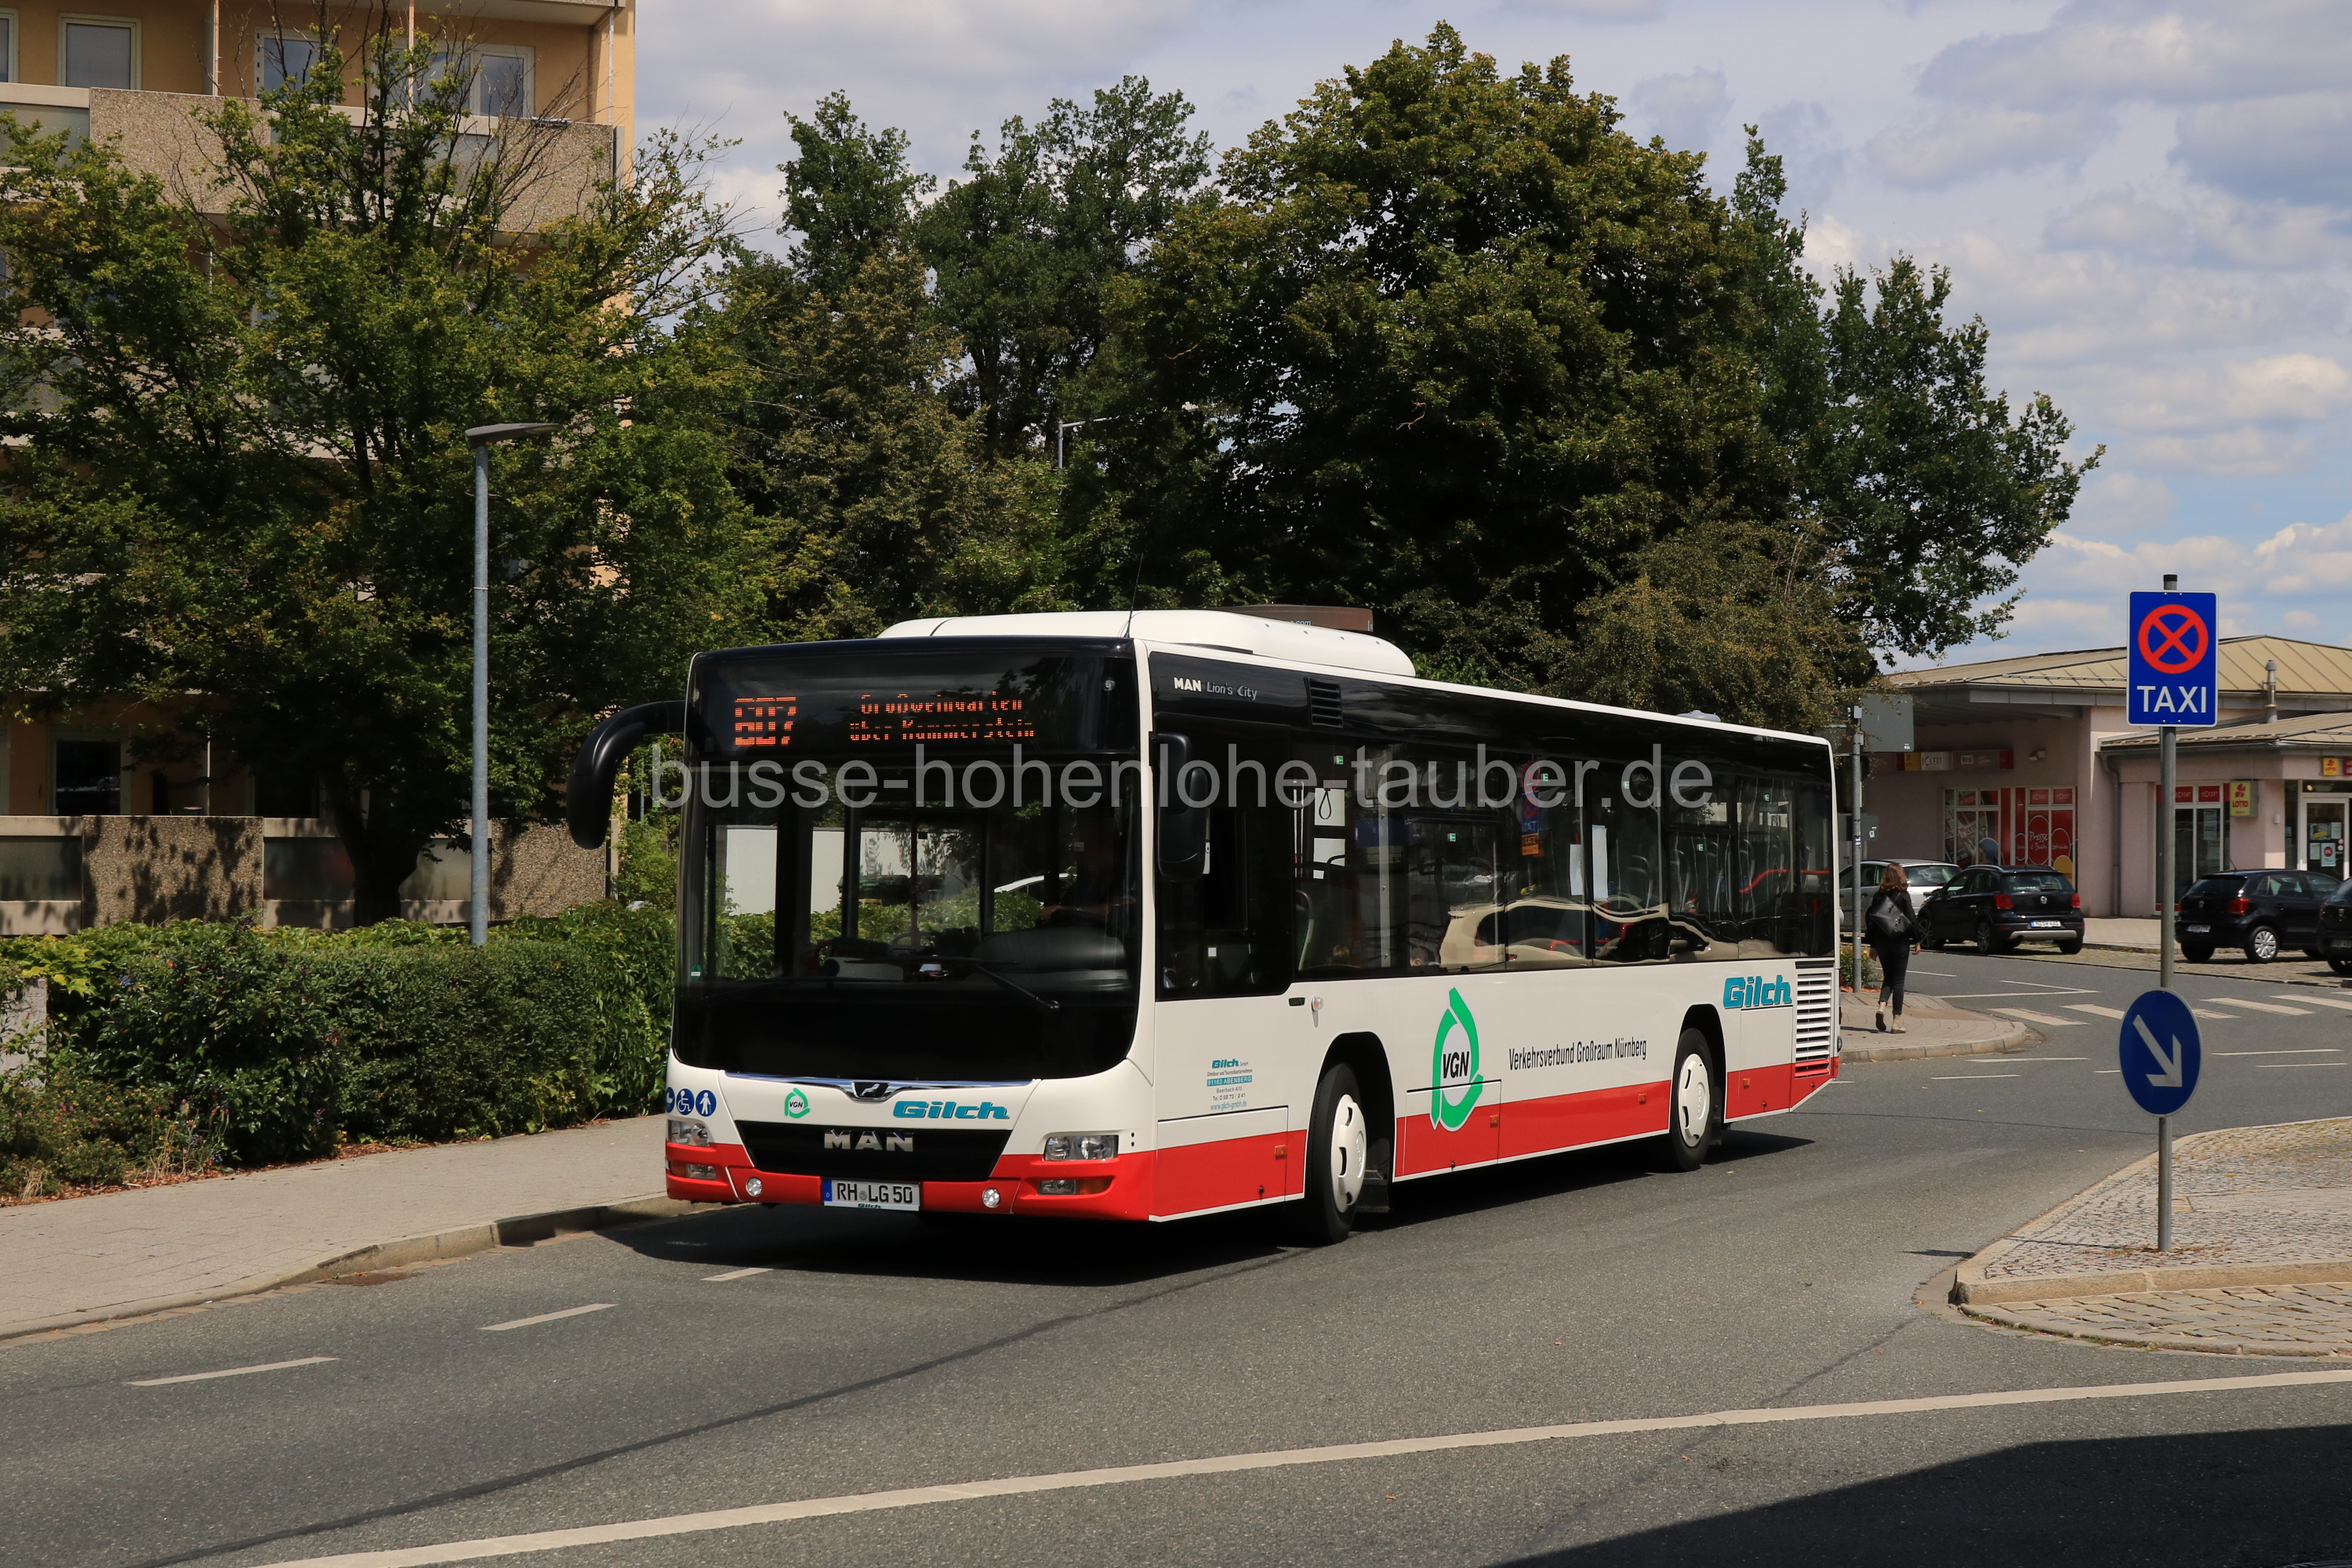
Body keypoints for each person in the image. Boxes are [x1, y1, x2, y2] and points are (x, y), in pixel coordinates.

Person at [1864, 863, 1919, 1033]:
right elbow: (1911, 919)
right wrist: (1917, 940)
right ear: (1901, 876)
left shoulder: (1878, 896)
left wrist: (1873, 945)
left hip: (1882, 942)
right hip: (1900, 941)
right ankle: (1897, 1021)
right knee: (1899, 980)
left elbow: (1873, 922)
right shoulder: (1903, 895)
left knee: (1888, 977)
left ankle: (1881, 1007)